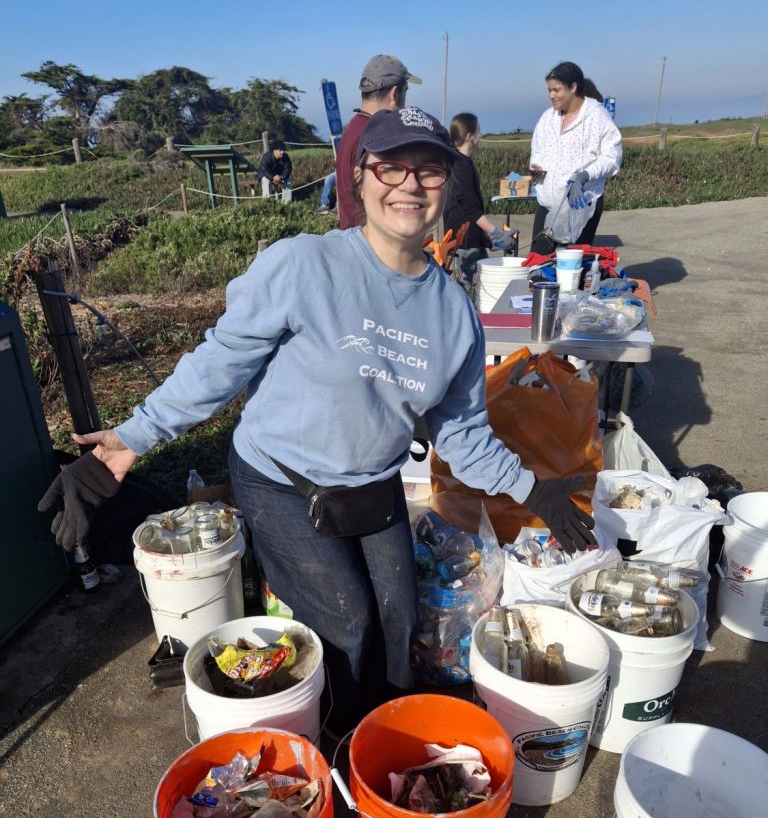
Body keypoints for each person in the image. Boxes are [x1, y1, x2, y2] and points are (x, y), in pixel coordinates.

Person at [38, 107, 595, 733]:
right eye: (391, 167)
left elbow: (462, 435)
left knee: (397, 614)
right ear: (361, 178)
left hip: (371, 481)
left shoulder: (454, 314)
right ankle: (332, 743)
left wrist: (535, 489)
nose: (409, 185)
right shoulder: (304, 265)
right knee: (346, 617)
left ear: (449, 184)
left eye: (429, 170)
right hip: (280, 477)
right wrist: (125, 444)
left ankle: (381, 737)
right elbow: (220, 364)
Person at [529, 61, 622, 254]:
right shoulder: (547, 118)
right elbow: (537, 150)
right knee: (538, 267)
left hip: (579, 206)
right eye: (549, 90)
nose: (552, 95)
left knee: (570, 270)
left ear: (573, 87)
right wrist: (536, 168)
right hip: (548, 204)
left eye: (557, 90)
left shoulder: (597, 116)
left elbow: (612, 158)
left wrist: (583, 176)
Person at [335, 54, 421, 229]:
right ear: (395, 93)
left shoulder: (353, 127)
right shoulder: (377, 136)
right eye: (406, 91)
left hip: (352, 236)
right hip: (372, 242)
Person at [442, 112, 516, 291]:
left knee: (487, 285)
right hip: (464, 242)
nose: (481, 135)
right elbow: (471, 209)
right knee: (465, 289)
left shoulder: (461, 161)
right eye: (479, 131)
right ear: (469, 136)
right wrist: (498, 233)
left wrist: (488, 240)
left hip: (472, 238)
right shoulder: (460, 165)